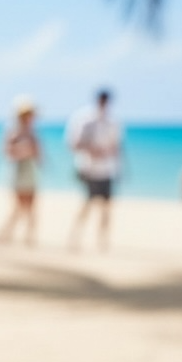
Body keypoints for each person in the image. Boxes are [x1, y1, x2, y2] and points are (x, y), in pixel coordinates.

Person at [65, 87, 124, 251]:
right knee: (87, 204)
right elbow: (73, 143)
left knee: (106, 207)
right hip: (89, 168)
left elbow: (117, 147)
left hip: (107, 169)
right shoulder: (84, 118)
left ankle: (102, 242)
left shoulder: (113, 121)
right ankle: (75, 237)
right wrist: (91, 149)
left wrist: (119, 167)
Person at [0, 95, 43, 246]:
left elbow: (39, 154)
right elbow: (7, 152)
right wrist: (26, 151)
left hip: (30, 171)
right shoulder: (13, 131)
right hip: (18, 172)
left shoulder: (32, 132)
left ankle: (29, 237)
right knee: (18, 207)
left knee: (31, 207)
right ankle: (6, 234)